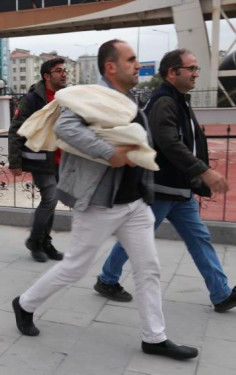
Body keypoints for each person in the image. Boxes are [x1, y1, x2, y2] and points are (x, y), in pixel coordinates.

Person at [13, 40, 199, 360]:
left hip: (134, 202)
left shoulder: (129, 99)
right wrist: (109, 153)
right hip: (101, 201)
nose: (137, 65)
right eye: (131, 60)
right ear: (111, 67)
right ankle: (25, 303)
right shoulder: (87, 96)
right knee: (74, 268)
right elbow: (67, 127)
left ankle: (154, 337)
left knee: (148, 267)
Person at [94, 49, 235, 312]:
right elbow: (169, 142)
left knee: (199, 239)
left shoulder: (178, 99)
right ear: (173, 72)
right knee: (136, 239)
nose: (196, 73)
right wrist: (202, 171)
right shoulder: (164, 102)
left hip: (180, 189)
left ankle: (221, 293)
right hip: (160, 189)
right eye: (191, 68)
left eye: (196, 69)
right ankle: (107, 278)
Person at [8, 57, 67, 262]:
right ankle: (35, 241)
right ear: (47, 76)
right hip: (41, 159)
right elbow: (16, 129)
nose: (64, 74)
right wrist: (14, 162)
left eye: (64, 70)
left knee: (51, 202)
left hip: (61, 158)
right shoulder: (33, 99)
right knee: (50, 199)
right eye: (58, 71)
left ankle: (45, 242)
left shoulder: (66, 97)